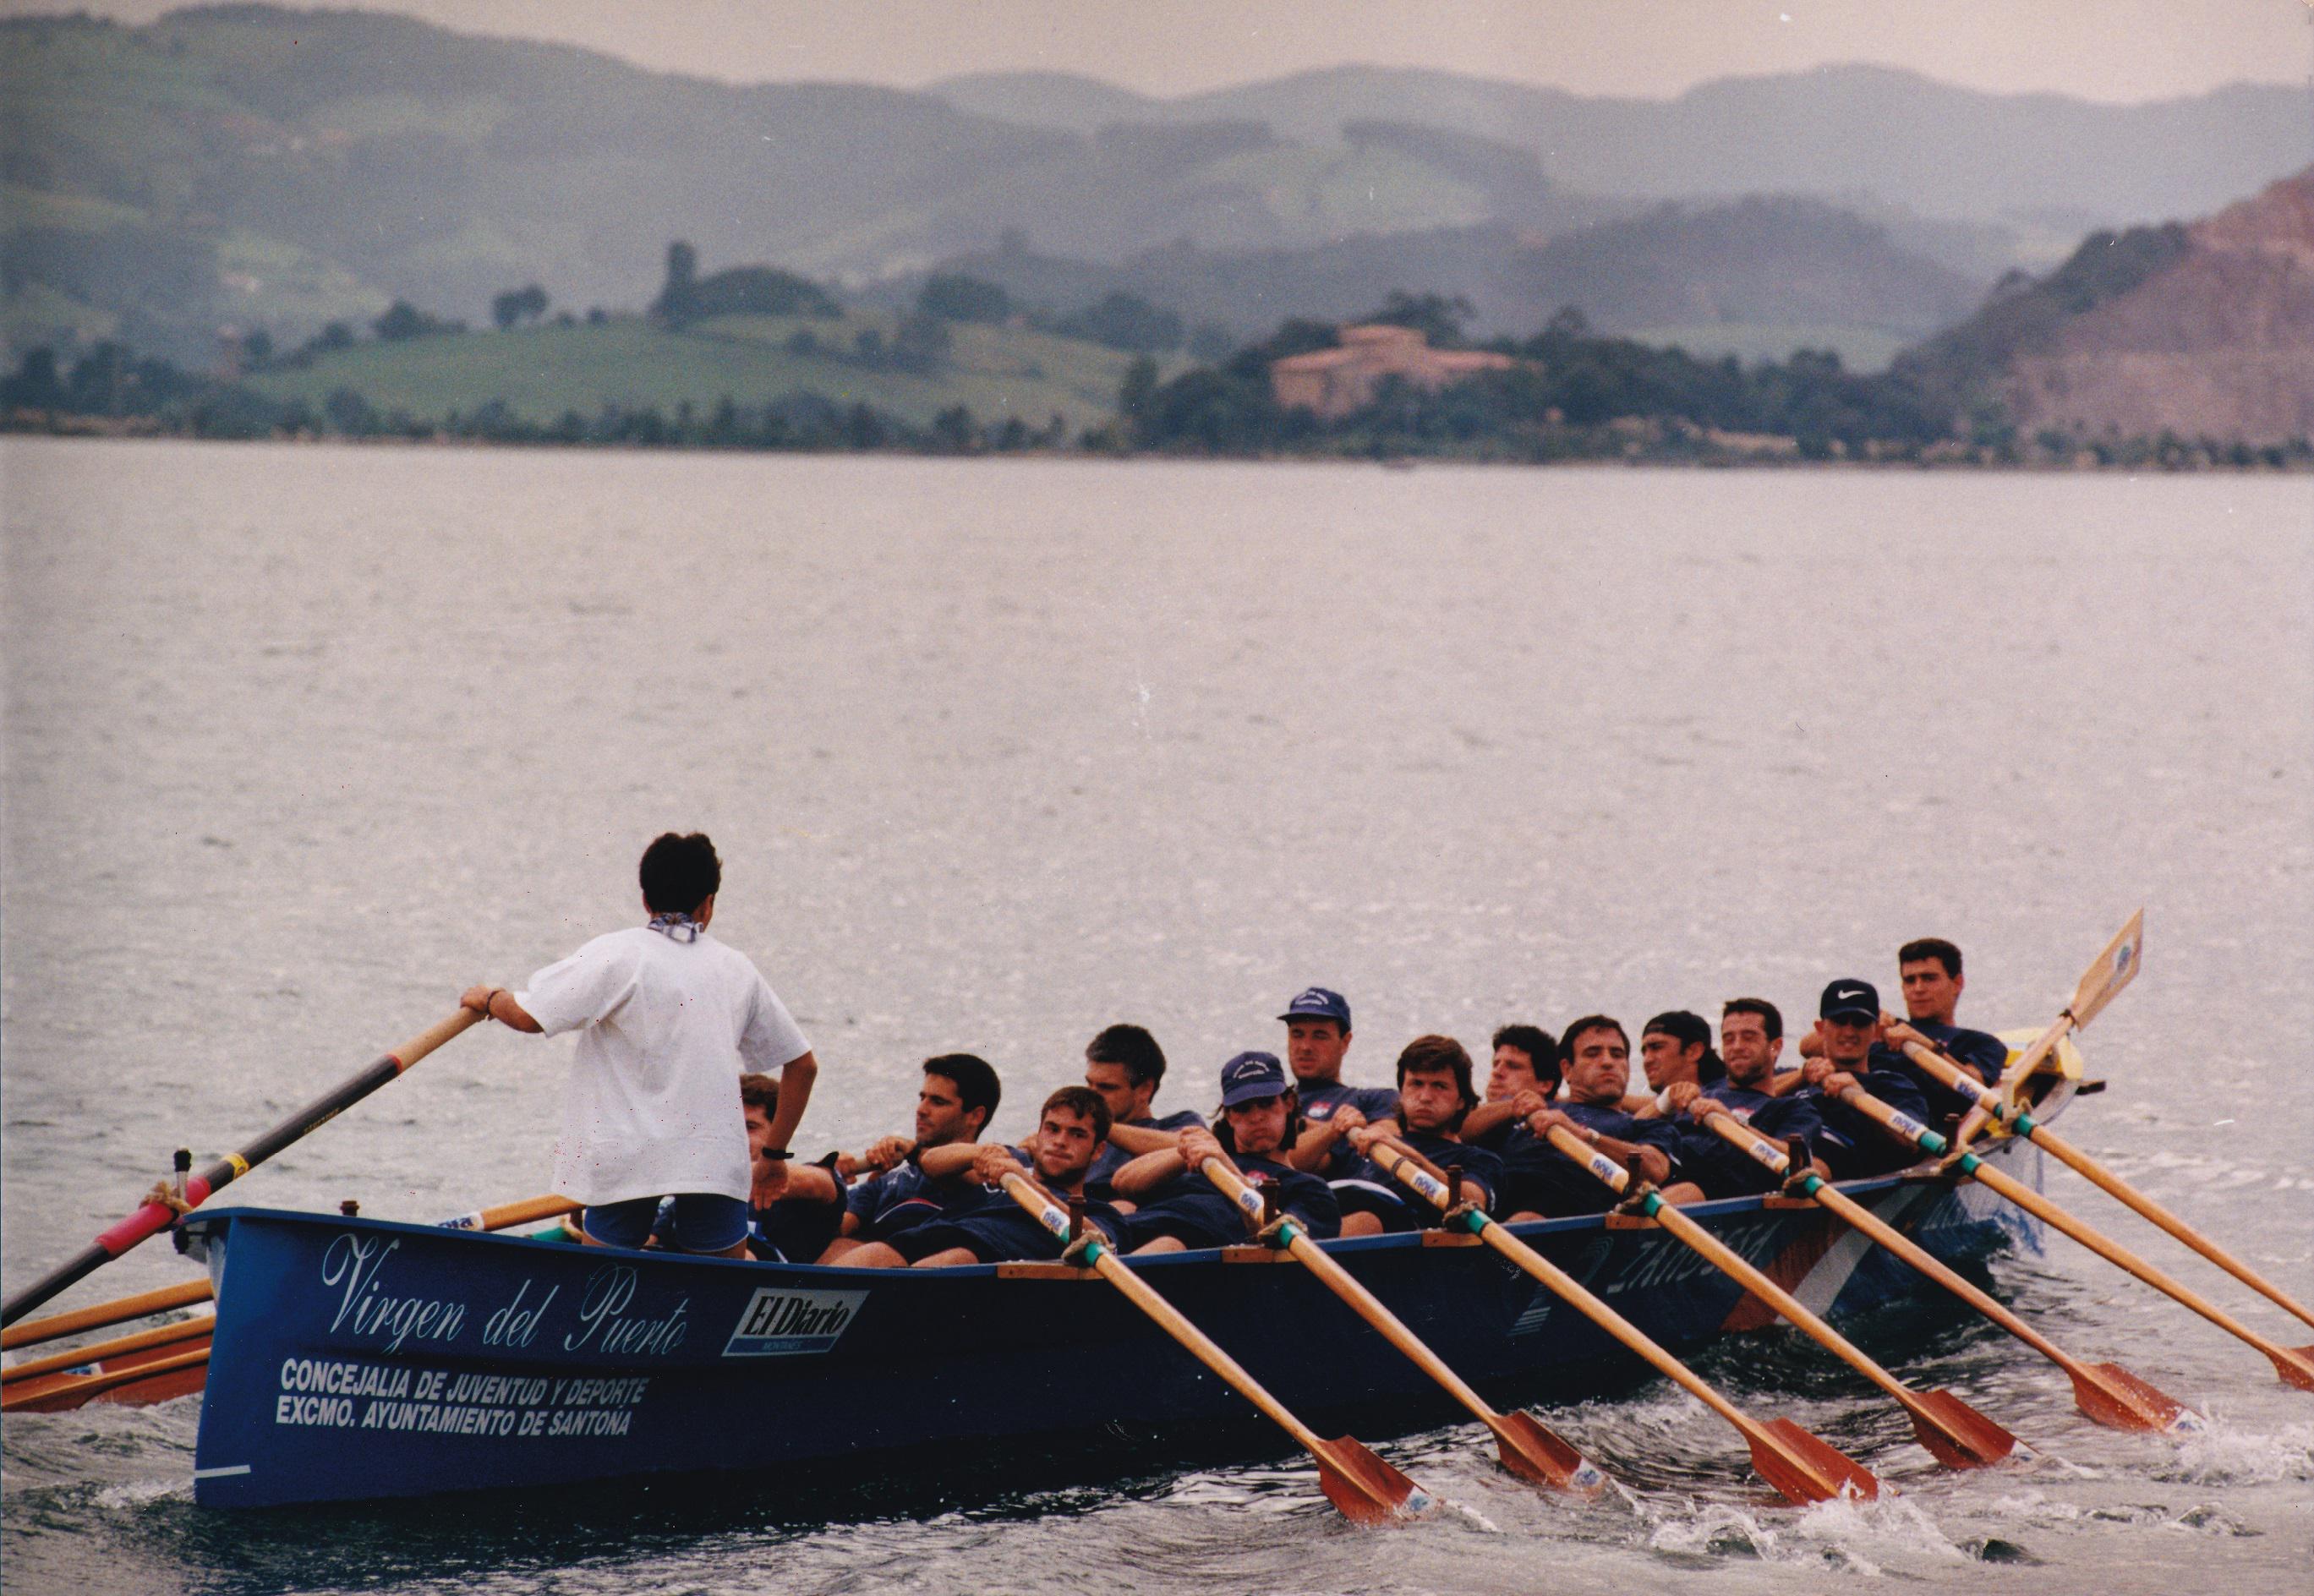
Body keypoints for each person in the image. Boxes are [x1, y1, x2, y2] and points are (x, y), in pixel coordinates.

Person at [462, 831, 818, 1259]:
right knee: (721, 1291)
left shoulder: (617, 954)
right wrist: (774, 1156)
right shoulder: (735, 968)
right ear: (708, 904)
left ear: (646, 900)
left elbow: (527, 1017)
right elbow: (803, 1066)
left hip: (625, 1159)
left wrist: (489, 998)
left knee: (599, 1287)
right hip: (711, 1161)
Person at [843, 1088, 1123, 1268]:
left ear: (1098, 1150)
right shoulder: (994, 1174)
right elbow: (930, 1162)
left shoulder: (1100, 1212)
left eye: (1077, 1134)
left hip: (983, 1257)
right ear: (1038, 1135)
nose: (1061, 1142)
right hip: (935, 1234)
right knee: (875, 1254)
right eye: (1052, 1129)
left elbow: (1097, 1241)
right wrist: (979, 1154)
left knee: (952, 1260)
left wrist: (1029, 1186)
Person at [1110, 1052, 1341, 1251]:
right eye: (1243, 1108)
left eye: (1266, 1103)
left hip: (1186, 1249)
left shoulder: (1309, 1189)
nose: (1256, 1117)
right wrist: (1185, 1152)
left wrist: (1229, 1171)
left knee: (1171, 1242)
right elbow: (1123, 1183)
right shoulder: (1202, 1159)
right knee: (1114, 1211)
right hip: (1128, 1234)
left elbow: (1274, 1239)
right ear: (1229, 1116)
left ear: (1288, 1104)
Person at [817, 1053, 1002, 1262]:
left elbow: (973, 1177)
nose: (921, 1110)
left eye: (938, 1102)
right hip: (862, 1271)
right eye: (922, 1098)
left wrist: (914, 1153)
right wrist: (834, 1174)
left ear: (976, 1116)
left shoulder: (994, 1174)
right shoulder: (890, 1181)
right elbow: (834, 1228)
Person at [1496, 1017, 1682, 1220]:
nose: (1608, 1062)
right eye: (1593, 1054)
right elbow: (1461, 1129)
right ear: (1567, 1069)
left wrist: (1582, 1135)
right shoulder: (1533, 1108)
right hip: (1498, 1196)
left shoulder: (1645, 1126)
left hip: (1561, 1211)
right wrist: (1512, 1106)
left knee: (1535, 1209)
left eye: (1617, 1054)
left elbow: (1655, 1169)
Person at [1660, 1000, 1828, 1202]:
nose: (1737, 1047)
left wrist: (1733, 1123)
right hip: (1662, 1174)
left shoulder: (1792, 1109)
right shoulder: (1703, 1094)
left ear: (1775, 1047)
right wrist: (1665, 1100)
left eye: (1749, 1038)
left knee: (1688, 1190)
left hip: (1705, 1189)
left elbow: (1797, 1162)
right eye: (1729, 1039)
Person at [1332, 1035, 1503, 1234]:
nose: (1425, 1097)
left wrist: (1406, 1155)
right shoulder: (1363, 1146)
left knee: (1366, 1219)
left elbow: (1471, 1204)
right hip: (1338, 1216)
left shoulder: (1480, 1160)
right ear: (1402, 1093)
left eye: (1439, 1086)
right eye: (1416, 1084)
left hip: (1405, 1242)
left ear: (1462, 1101)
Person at [1801, 980, 1934, 1181]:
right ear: (1820, 1028)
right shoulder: (1796, 1079)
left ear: (1877, 1032)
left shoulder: (1894, 1086)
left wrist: (1859, 1096)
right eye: (1839, 1021)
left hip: (1845, 1183)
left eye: (1860, 1023)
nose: (1849, 1032)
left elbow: (1911, 1141)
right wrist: (1801, 1074)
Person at [1275, 987, 1400, 1178]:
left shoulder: (1374, 1100)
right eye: (1297, 1034)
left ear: (1345, 1042)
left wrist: (1309, 1129)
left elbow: (1393, 1141)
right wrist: (1334, 1129)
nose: (1305, 1047)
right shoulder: (1268, 1105)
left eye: (1319, 1036)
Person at [1882, 937, 2010, 1119]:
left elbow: (1974, 1088)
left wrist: (1927, 1045)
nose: (1918, 988)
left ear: (1957, 984)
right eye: (1910, 980)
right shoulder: (1878, 1029)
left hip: (1933, 1131)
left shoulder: (1982, 1044)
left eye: (1929, 979)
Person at [1081, 1023, 1206, 1189]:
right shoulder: (1073, 1135)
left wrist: (1098, 1123)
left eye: (1107, 1087)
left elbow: (1193, 1146)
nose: (1092, 1096)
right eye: (1089, 1084)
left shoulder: (1179, 1124)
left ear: (1145, 1089)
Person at [1460, 1024, 1559, 1151]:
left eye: (1513, 1066)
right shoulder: (1473, 1116)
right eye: (1496, 1064)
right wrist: (1516, 1105)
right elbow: (1457, 1129)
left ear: (1544, 1085)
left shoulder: (1564, 1115)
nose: (1497, 1072)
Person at [1627, 1010, 1722, 1116]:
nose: (1647, 1060)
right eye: (1644, 1052)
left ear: (1693, 1051)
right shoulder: (1664, 1104)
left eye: (1657, 1047)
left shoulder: (1728, 1098)